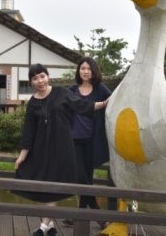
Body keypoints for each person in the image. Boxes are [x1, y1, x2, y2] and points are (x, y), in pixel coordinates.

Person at [13, 63, 108, 236]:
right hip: (41, 150)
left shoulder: (62, 93)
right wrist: (22, 156)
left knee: (55, 186)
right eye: (35, 78)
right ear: (31, 82)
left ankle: (43, 227)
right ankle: (47, 226)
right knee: (42, 186)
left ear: (47, 76)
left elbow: (82, 106)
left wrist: (103, 103)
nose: (39, 81)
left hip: (62, 148)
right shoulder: (33, 102)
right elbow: (28, 131)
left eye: (42, 76)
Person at [62, 57, 111, 229]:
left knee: (87, 178)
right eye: (82, 68)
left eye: (88, 68)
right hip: (74, 139)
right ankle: (99, 216)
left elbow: (113, 102)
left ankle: (79, 217)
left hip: (92, 140)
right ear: (79, 71)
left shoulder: (100, 89)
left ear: (94, 71)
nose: (85, 71)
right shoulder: (72, 90)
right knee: (80, 177)